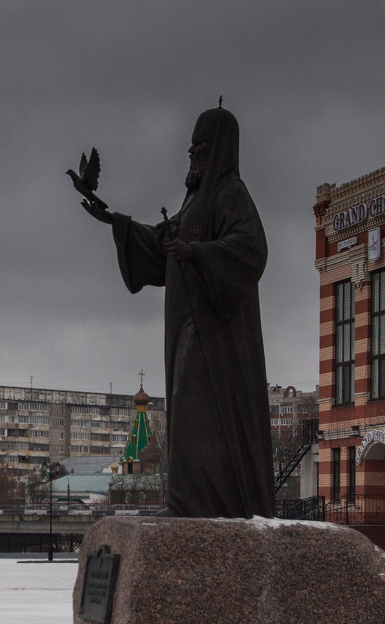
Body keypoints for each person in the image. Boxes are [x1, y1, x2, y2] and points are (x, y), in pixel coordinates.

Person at [71, 106, 275, 518]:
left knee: (196, 409)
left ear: (218, 150)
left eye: (200, 150)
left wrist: (197, 253)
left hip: (214, 337)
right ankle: (186, 502)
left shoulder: (230, 193)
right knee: (183, 410)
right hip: (186, 326)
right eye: (191, 149)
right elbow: (162, 241)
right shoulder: (196, 200)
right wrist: (113, 219)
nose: (192, 157)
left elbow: (251, 249)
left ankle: (198, 504)